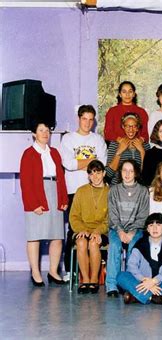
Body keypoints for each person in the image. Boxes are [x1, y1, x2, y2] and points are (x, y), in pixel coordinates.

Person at [59, 104, 107, 281]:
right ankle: (71, 271)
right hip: (73, 190)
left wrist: (81, 162)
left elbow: (102, 165)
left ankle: (97, 273)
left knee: (96, 230)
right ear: (78, 119)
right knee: (74, 230)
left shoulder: (98, 139)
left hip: (96, 190)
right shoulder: (68, 139)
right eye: (84, 119)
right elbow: (68, 164)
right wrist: (92, 161)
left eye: (90, 119)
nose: (87, 123)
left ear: (94, 121)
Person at [20, 121, 68, 286]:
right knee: (35, 236)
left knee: (57, 236)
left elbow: (61, 178)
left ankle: (53, 272)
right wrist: (33, 204)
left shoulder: (54, 153)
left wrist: (63, 199)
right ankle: (35, 272)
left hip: (54, 192)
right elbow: (26, 182)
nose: (45, 133)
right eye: (41, 130)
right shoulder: (28, 154)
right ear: (34, 133)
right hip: (37, 194)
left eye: (47, 130)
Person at [117, 213, 162, 305]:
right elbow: (132, 266)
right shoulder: (140, 244)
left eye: (158, 225)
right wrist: (144, 280)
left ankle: (138, 296)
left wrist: (154, 281)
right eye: (151, 225)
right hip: (141, 282)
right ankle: (156, 297)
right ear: (147, 229)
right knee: (121, 276)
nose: (155, 228)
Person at [106, 159, 150, 297]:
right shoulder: (113, 190)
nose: (127, 174)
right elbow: (112, 214)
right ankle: (112, 285)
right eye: (124, 170)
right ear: (120, 172)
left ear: (136, 173)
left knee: (134, 246)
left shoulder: (143, 191)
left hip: (136, 230)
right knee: (114, 245)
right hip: (116, 229)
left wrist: (132, 232)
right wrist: (119, 231)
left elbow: (144, 215)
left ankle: (130, 284)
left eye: (131, 171)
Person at [69, 160, 109, 294]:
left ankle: (94, 280)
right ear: (88, 176)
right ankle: (85, 280)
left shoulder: (110, 192)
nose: (95, 177)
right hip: (82, 229)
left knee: (93, 243)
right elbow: (73, 216)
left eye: (98, 173)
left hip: (102, 230)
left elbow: (111, 219)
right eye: (91, 174)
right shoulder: (81, 191)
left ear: (103, 173)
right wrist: (82, 230)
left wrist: (98, 231)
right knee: (81, 242)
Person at [105, 113, 150, 185]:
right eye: (127, 126)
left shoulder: (145, 145)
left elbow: (147, 175)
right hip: (118, 188)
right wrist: (119, 151)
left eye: (134, 126)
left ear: (138, 127)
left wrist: (142, 151)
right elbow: (109, 174)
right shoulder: (115, 144)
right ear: (123, 126)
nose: (131, 130)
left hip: (138, 189)